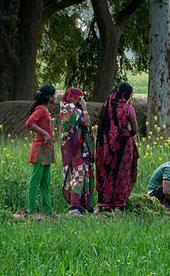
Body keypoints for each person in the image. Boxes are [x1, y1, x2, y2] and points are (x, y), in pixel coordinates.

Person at [95, 82, 139, 212]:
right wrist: (126, 133)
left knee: (108, 171)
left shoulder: (106, 107)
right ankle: (118, 205)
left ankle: (103, 204)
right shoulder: (128, 108)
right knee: (122, 173)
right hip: (124, 143)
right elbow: (135, 129)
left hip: (107, 144)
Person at [59, 87, 95, 216]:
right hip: (76, 149)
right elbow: (86, 122)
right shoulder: (72, 110)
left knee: (78, 176)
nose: (82, 100)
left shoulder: (65, 109)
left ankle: (79, 205)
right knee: (78, 177)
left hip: (73, 148)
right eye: (80, 98)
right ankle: (74, 207)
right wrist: (84, 107)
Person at [26, 84, 57, 218]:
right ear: (49, 97)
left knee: (46, 181)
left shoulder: (45, 109)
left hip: (46, 149)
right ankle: (32, 210)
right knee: (35, 180)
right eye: (55, 94)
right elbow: (29, 123)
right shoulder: (41, 110)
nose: (56, 97)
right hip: (40, 148)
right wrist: (44, 133)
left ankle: (48, 210)